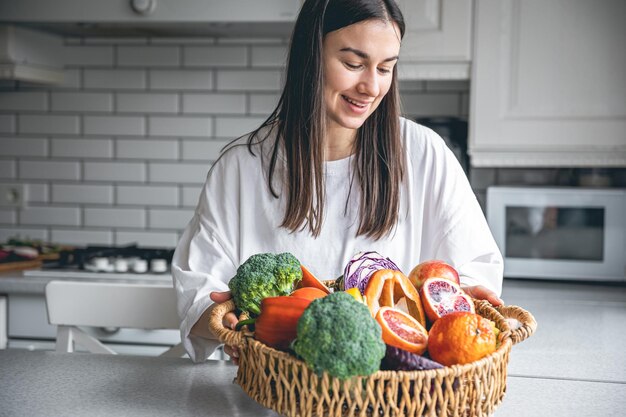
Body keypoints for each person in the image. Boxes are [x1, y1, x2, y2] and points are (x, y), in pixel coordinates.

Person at [172, 0, 504, 364]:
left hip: (393, 396)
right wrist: (227, 321)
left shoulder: (425, 153)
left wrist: (460, 299)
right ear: (311, 57)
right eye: (353, 64)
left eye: (385, 68)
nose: (371, 86)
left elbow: (475, 264)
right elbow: (198, 293)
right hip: (268, 393)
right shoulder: (240, 167)